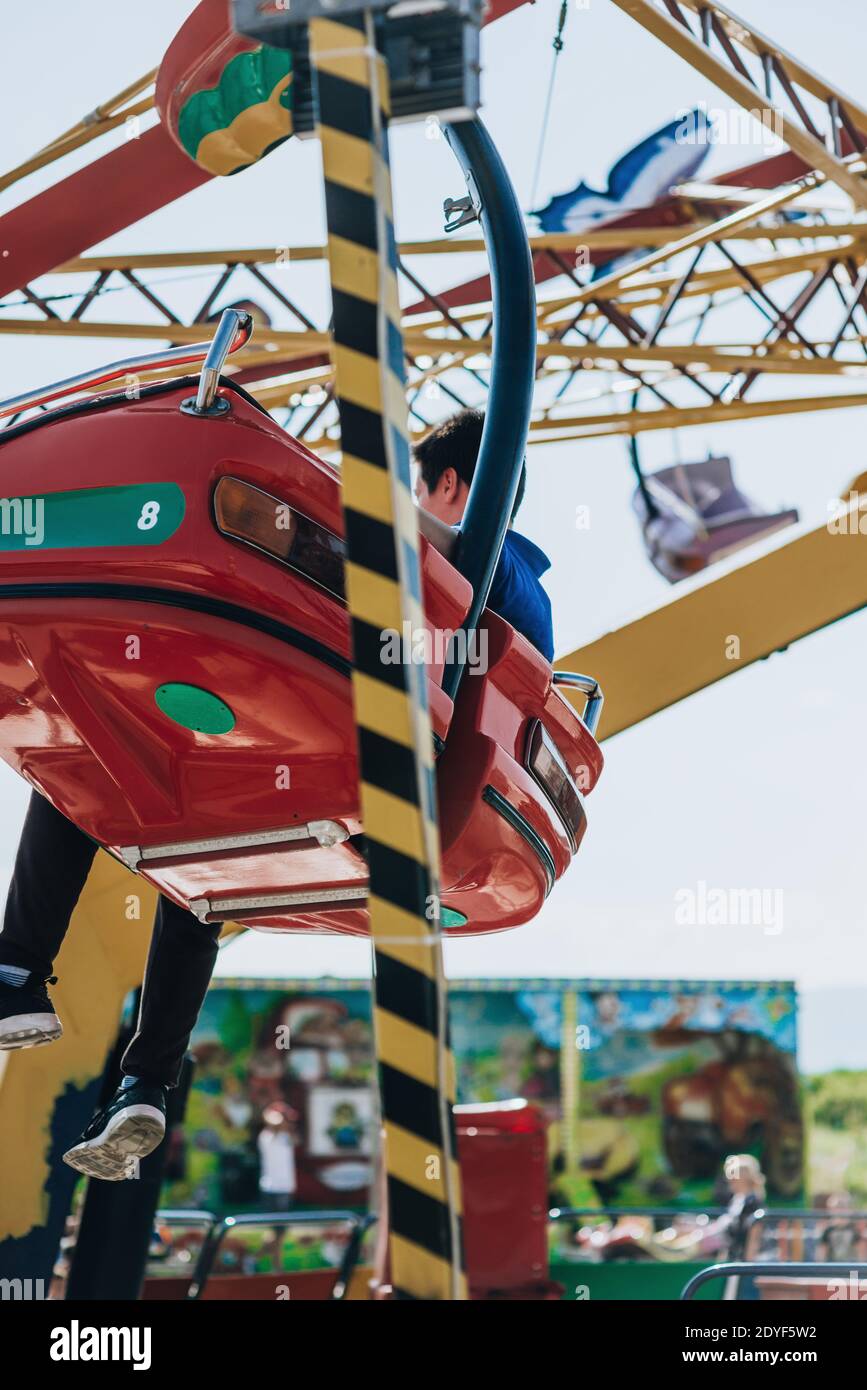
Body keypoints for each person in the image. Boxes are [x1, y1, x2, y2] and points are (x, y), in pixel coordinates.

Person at [0, 791, 222, 1181]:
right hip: (322, 790)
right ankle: (143, 1086)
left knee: (70, 763)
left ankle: (14, 975)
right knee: (200, 883)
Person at [413, 408, 555, 661]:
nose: (418, 505)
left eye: (418, 494)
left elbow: (468, 551)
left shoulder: (506, 567)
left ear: (448, 484)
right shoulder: (528, 591)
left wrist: (366, 491)